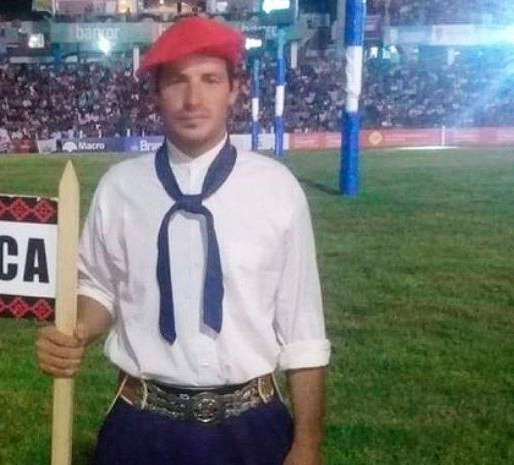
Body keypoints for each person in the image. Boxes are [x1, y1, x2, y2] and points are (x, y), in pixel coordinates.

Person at [36, 16, 331, 465]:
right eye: (177, 81)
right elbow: (99, 287)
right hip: (141, 424)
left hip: (251, 426)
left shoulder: (276, 188)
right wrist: (76, 330)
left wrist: (307, 444)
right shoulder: (120, 187)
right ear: (155, 93)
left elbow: (302, 328)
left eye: (210, 80)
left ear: (234, 90)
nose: (193, 100)